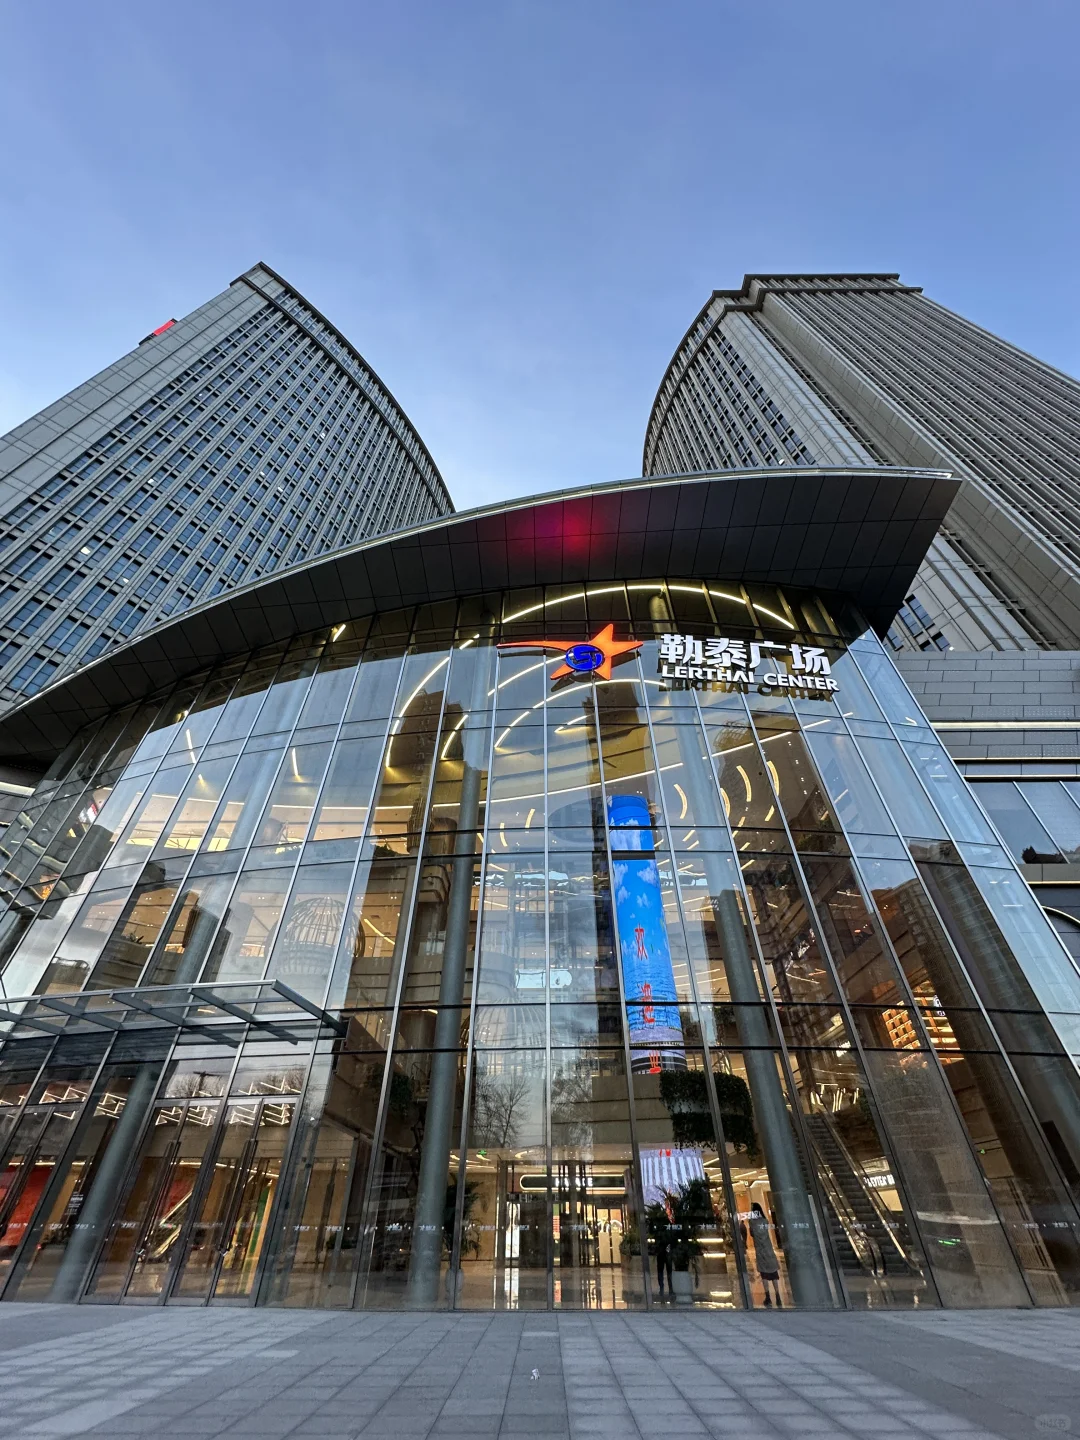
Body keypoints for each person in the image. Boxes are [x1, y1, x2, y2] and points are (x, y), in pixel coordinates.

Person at [747, 1202, 782, 1308]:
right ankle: (778, 1296)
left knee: (764, 1274)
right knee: (774, 1273)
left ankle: (768, 1297)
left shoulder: (752, 1222)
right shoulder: (765, 1221)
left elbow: (752, 1234)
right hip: (769, 1249)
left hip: (760, 1250)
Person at [654, 1226, 673, 1297]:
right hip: (666, 1255)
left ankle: (662, 1288)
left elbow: (657, 1245)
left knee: (660, 1272)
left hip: (661, 1255)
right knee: (669, 1272)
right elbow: (670, 1244)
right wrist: (668, 1252)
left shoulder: (658, 1236)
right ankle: (670, 1288)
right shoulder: (668, 1235)